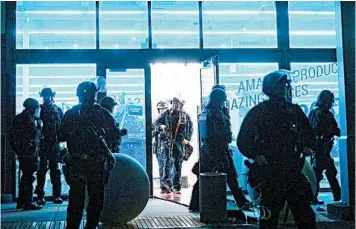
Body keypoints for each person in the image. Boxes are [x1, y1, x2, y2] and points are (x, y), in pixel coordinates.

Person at [237, 70, 316, 229]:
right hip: (271, 171)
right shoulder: (260, 111)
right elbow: (243, 140)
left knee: (305, 215)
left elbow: (308, 134)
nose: (286, 87)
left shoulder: (293, 110)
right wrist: (255, 154)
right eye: (281, 84)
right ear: (271, 88)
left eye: (286, 84)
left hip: (292, 169)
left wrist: (308, 146)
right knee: (269, 217)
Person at [59, 81, 120, 229]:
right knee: (94, 197)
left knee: (77, 198)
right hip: (95, 163)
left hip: (79, 162)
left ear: (79, 95)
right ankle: (90, 225)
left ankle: (74, 226)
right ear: (94, 95)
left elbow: (60, 136)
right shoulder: (103, 114)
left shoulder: (72, 113)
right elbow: (115, 136)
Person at [189, 88, 251, 212]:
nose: (224, 103)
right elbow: (223, 134)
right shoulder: (217, 114)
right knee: (231, 177)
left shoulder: (204, 113)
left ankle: (194, 203)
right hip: (219, 150)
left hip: (207, 150)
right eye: (223, 100)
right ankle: (242, 202)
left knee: (204, 177)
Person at [9, 98, 42, 210]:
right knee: (28, 177)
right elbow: (14, 137)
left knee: (26, 177)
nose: (37, 109)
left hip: (27, 152)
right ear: (31, 107)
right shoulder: (25, 119)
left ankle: (22, 201)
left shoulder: (25, 118)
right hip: (27, 152)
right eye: (36, 107)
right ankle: (27, 202)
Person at [309, 90, 341, 204]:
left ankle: (336, 195)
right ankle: (338, 196)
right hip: (323, 148)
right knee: (325, 173)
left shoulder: (313, 112)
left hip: (316, 148)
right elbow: (334, 130)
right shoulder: (326, 114)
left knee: (320, 173)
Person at [155, 97, 193, 194]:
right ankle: (166, 185)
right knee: (166, 162)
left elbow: (190, 128)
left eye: (177, 103)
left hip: (179, 142)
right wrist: (161, 126)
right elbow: (155, 123)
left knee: (177, 164)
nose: (175, 105)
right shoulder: (166, 113)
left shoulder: (185, 115)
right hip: (167, 141)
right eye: (174, 103)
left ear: (180, 104)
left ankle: (176, 186)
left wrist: (187, 139)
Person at [34, 87, 64, 205]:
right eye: (44, 96)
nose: (46, 98)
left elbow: (62, 126)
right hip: (42, 144)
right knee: (41, 171)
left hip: (54, 143)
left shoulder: (58, 110)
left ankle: (57, 195)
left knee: (55, 171)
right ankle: (40, 196)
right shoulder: (38, 110)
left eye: (48, 95)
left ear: (52, 96)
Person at [152, 101, 169, 193]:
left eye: (164, 109)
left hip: (168, 147)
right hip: (158, 147)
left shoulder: (170, 120)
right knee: (161, 166)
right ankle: (163, 185)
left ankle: (167, 184)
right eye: (161, 109)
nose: (163, 111)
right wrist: (159, 128)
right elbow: (150, 133)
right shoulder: (156, 122)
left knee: (168, 165)